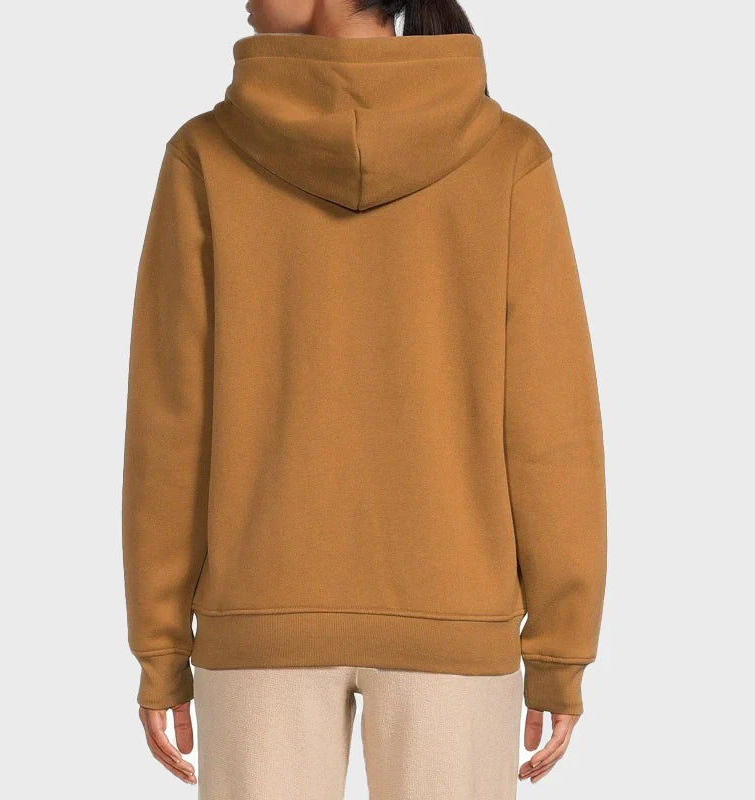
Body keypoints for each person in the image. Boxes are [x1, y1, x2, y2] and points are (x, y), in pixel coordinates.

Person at [121, 0, 607, 797]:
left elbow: (171, 425)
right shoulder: (506, 156)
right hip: (456, 621)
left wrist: (161, 643)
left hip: (259, 620)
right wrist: (560, 649)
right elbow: (553, 427)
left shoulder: (206, 156)